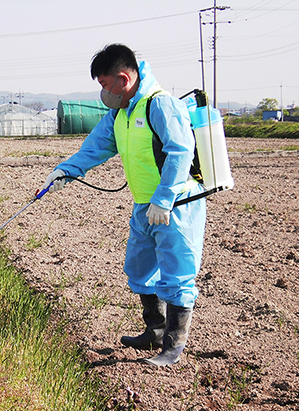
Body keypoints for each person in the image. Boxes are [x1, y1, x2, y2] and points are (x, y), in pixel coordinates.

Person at [42, 43, 206, 366]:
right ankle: (155, 331)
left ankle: (173, 346)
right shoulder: (120, 113)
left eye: (104, 85)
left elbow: (181, 151)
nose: (102, 93)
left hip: (176, 203)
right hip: (144, 206)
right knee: (139, 268)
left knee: (177, 273)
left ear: (123, 79)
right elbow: (95, 148)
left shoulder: (160, 105)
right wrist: (65, 170)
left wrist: (163, 199)